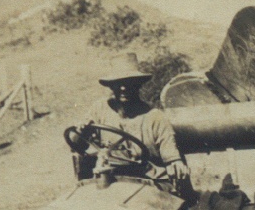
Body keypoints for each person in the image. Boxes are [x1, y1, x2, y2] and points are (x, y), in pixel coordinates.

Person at [79, 53, 188, 181]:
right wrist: (82, 131)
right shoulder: (100, 109)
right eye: (118, 83)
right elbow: (77, 144)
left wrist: (175, 164)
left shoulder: (155, 117)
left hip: (150, 182)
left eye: (128, 82)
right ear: (111, 86)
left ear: (138, 84)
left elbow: (171, 156)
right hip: (110, 179)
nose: (123, 88)